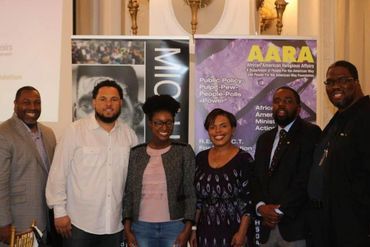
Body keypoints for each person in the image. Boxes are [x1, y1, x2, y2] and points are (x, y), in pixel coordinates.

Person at [46, 80, 138, 247]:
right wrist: (59, 212)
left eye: (114, 99)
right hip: (77, 224)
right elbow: (58, 172)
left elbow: (133, 182)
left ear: (121, 103)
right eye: (103, 99)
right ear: (94, 102)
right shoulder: (75, 131)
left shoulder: (129, 135)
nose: (108, 104)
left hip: (114, 225)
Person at [307, 60, 370, 247]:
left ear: (356, 82)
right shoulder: (340, 117)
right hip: (326, 221)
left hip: (354, 226)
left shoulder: (366, 116)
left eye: (343, 80)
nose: (335, 86)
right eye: (330, 82)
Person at [123, 95, 196, 247]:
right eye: (159, 123)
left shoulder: (184, 151)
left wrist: (187, 229)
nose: (164, 127)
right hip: (141, 227)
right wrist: (127, 228)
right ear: (150, 123)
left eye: (169, 122)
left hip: (175, 226)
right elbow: (129, 193)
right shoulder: (136, 153)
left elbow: (190, 192)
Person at [253, 86, 321, 247]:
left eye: (288, 101)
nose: (281, 105)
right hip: (266, 229)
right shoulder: (264, 139)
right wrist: (261, 207)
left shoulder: (311, 133)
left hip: (295, 227)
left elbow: (306, 178)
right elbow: (256, 178)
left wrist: (278, 211)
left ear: (298, 109)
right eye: (277, 101)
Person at [0, 86, 57, 246]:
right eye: (26, 102)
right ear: (15, 104)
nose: (32, 107)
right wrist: (3, 223)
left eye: (37, 103)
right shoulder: (3, 133)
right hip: (17, 222)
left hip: (46, 219)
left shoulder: (48, 133)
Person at [190, 108, 254, 247]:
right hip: (205, 232)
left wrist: (242, 232)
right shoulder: (200, 158)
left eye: (223, 126)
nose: (218, 131)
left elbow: (249, 201)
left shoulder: (244, 159)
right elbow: (198, 200)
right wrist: (193, 230)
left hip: (234, 232)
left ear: (233, 129)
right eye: (212, 127)